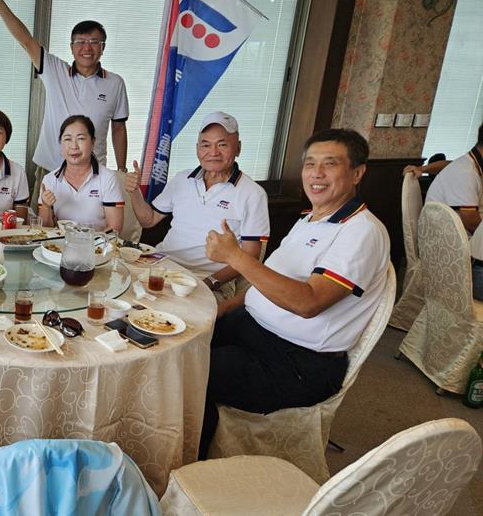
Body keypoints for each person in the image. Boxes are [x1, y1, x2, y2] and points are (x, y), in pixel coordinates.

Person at [198, 128, 389, 457]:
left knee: (190, 371)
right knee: (176, 344)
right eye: (310, 164)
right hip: (252, 328)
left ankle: (194, 464)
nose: (316, 173)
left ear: (357, 173)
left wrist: (235, 257)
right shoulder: (309, 220)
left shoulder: (362, 232)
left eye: (330, 164)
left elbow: (308, 302)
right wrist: (224, 308)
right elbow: (269, 283)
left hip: (297, 361)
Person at [0, 0, 129, 181]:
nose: (87, 48)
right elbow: (25, 40)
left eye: (94, 42)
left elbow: (119, 128)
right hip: (50, 169)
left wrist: (121, 170)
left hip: (92, 173)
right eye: (80, 42)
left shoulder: (115, 83)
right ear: (71, 47)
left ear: (103, 47)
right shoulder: (55, 70)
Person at [124, 112, 269, 299]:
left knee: (168, 312)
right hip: (162, 266)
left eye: (222, 144)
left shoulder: (253, 194)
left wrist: (210, 282)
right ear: (197, 149)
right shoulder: (182, 179)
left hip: (208, 278)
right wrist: (134, 192)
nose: (213, 153)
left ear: (238, 148)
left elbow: (250, 257)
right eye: (206, 145)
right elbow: (148, 220)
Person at [39, 115, 124, 233]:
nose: (74, 146)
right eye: (67, 139)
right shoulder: (49, 180)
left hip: (98, 243)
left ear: (93, 142)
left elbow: (115, 228)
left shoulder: (108, 178)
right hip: (60, 243)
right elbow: (44, 230)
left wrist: (85, 241)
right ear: (60, 144)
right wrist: (46, 206)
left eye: (81, 138)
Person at [423, 123, 483, 232]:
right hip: (456, 238)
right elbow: (470, 221)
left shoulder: (469, 164)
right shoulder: (465, 173)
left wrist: (424, 168)